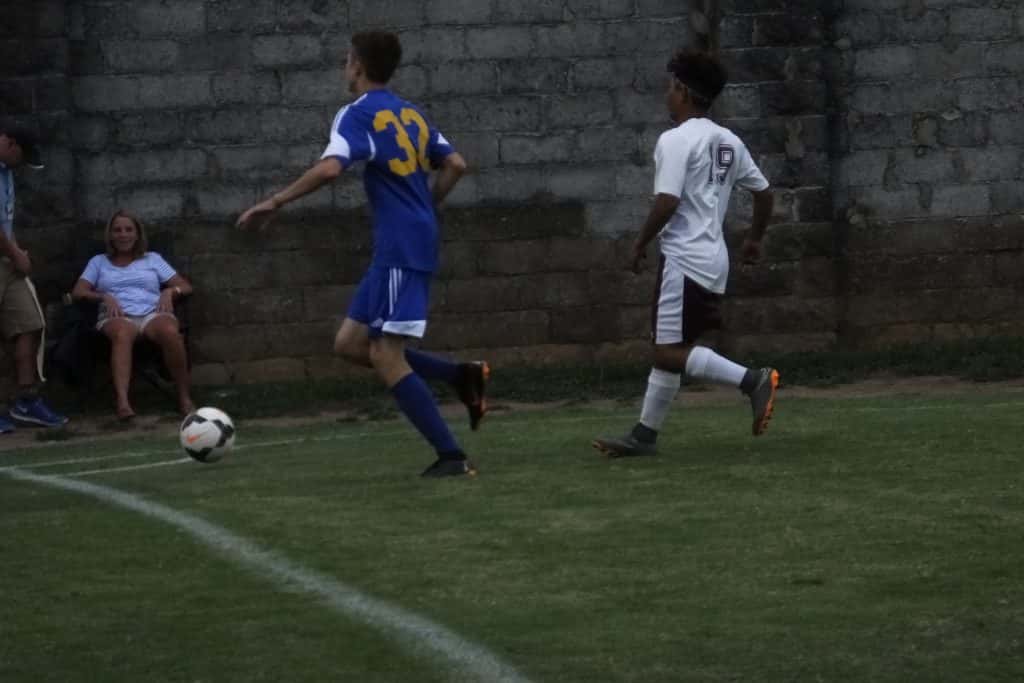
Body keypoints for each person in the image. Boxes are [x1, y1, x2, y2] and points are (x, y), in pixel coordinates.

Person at [236, 30, 488, 478]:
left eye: (346, 60)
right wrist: (427, 205)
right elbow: (456, 164)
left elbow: (331, 168)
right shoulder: (411, 112)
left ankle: (451, 456)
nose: (344, 68)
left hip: (399, 245)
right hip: (404, 242)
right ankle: (459, 376)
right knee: (350, 345)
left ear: (356, 65)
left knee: (386, 354)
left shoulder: (356, 113)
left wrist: (275, 201)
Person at [592, 50, 779, 458]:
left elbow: (667, 200)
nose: (666, 95)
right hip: (713, 260)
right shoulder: (729, 141)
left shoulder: (675, 140)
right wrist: (754, 239)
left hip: (683, 258)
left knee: (667, 350)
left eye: (670, 87)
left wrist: (639, 243)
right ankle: (644, 435)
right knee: (672, 348)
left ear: (683, 91)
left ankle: (753, 380)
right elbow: (765, 194)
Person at [71, 209, 195, 421]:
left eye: (129, 230)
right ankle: (123, 402)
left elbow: (185, 286)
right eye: (117, 230)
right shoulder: (98, 262)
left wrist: (169, 291)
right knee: (122, 333)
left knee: (170, 332)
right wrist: (103, 296)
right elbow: (78, 292)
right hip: (117, 315)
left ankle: (184, 396)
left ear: (137, 234)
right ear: (110, 235)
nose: (123, 235)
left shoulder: (152, 259)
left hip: (152, 313)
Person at [0, 125, 68, 432]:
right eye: (21, 157)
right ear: (10, 144)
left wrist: (15, 251)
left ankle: (26, 400)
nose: (21, 164)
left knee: (30, 323)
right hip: (8, 257)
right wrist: (16, 254)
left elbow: (5, 220)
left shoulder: (6, 172)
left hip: (6, 261)